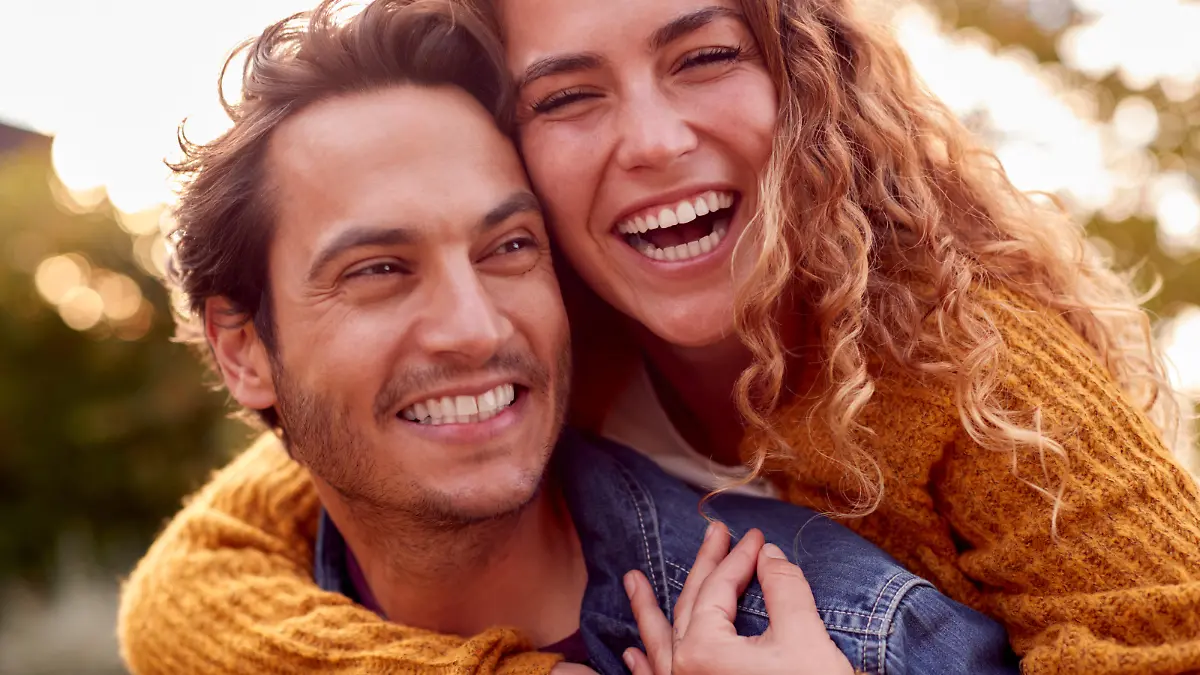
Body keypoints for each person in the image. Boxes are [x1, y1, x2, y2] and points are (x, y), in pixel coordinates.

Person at [120, 0, 1200, 672]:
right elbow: (184, 592)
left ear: (801, 80)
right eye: (567, 97)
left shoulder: (965, 360)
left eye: (703, 56)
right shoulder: (536, 338)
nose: (652, 140)